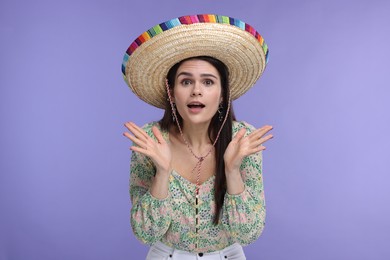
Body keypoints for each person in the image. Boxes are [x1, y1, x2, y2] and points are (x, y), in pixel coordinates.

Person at [122, 14, 273, 260]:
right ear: (171, 93)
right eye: (186, 81)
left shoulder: (244, 138)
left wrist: (232, 170)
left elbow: (247, 234)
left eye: (208, 82)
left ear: (223, 94)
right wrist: (162, 172)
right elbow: (145, 234)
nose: (197, 91)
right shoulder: (150, 139)